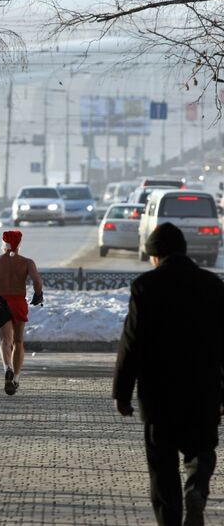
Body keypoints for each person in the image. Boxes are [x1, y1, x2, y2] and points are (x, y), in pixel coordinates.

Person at [113, 222, 224, 526]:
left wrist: (122, 392)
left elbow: (131, 342)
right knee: (201, 449)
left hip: (159, 394)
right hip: (203, 390)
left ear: (155, 255)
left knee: (162, 468)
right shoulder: (213, 285)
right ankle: (197, 485)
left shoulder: (145, 286)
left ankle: (170, 521)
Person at [0, 230, 43, 395]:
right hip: (18, 302)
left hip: (1, 302)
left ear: (4, 243)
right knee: (18, 341)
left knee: (5, 340)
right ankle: (16, 378)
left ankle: (7, 368)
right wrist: (38, 294)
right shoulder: (27, 262)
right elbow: (37, 281)